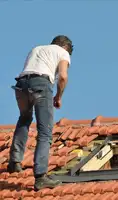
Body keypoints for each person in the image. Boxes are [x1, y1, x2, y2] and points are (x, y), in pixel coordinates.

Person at [7, 35, 73, 191]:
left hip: (21, 85)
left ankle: (14, 162)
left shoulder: (37, 48)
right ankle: (41, 177)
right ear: (65, 47)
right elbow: (63, 76)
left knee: (24, 119)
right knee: (45, 131)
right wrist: (58, 96)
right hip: (41, 85)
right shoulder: (63, 53)